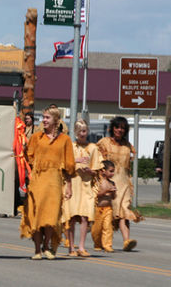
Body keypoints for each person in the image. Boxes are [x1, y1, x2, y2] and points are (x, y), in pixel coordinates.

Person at [20, 106, 74, 260]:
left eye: (47, 118)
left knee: (51, 217)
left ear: (56, 121)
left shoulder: (65, 140)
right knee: (36, 215)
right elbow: (28, 158)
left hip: (55, 182)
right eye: (43, 117)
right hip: (38, 181)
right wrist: (23, 149)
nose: (44, 120)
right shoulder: (37, 138)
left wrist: (69, 187)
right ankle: (37, 250)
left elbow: (69, 165)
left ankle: (47, 245)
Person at [96, 116, 141, 251]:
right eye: (117, 127)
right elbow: (97, 161)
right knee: (107, 214)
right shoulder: (104, 143)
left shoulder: (128, 146)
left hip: (124, 183)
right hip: (109, 182)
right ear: (112, 128)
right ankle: (100, 240)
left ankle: (127, 241)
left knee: (124, 211)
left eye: (122, 128)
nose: (119, 130)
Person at [62, 119, 103, 257]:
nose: (82, 134)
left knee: (85, 216)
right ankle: (71, 248)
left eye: (84, 131)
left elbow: (97, 169)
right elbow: (63, 165)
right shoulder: (70, 147)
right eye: (80, 131)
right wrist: (75, 162)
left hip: (86, 186)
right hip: (72, 184)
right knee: (72, 217)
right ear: (75, 132)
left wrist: (90, 171)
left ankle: (82, 247)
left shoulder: (93, 148)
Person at [91, 160, 117, 252]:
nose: (112, 173)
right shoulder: (98, 182)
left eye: (113, 171)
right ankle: (97, 243)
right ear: (103, 171)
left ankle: (107, 245)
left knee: (108, 227)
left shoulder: (112, 183)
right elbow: (96, 194)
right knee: (96, 229)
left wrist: (113, 192)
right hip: (98, 208)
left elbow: (113, 197)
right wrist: (106, 191)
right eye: (110, 171)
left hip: (108, 208)